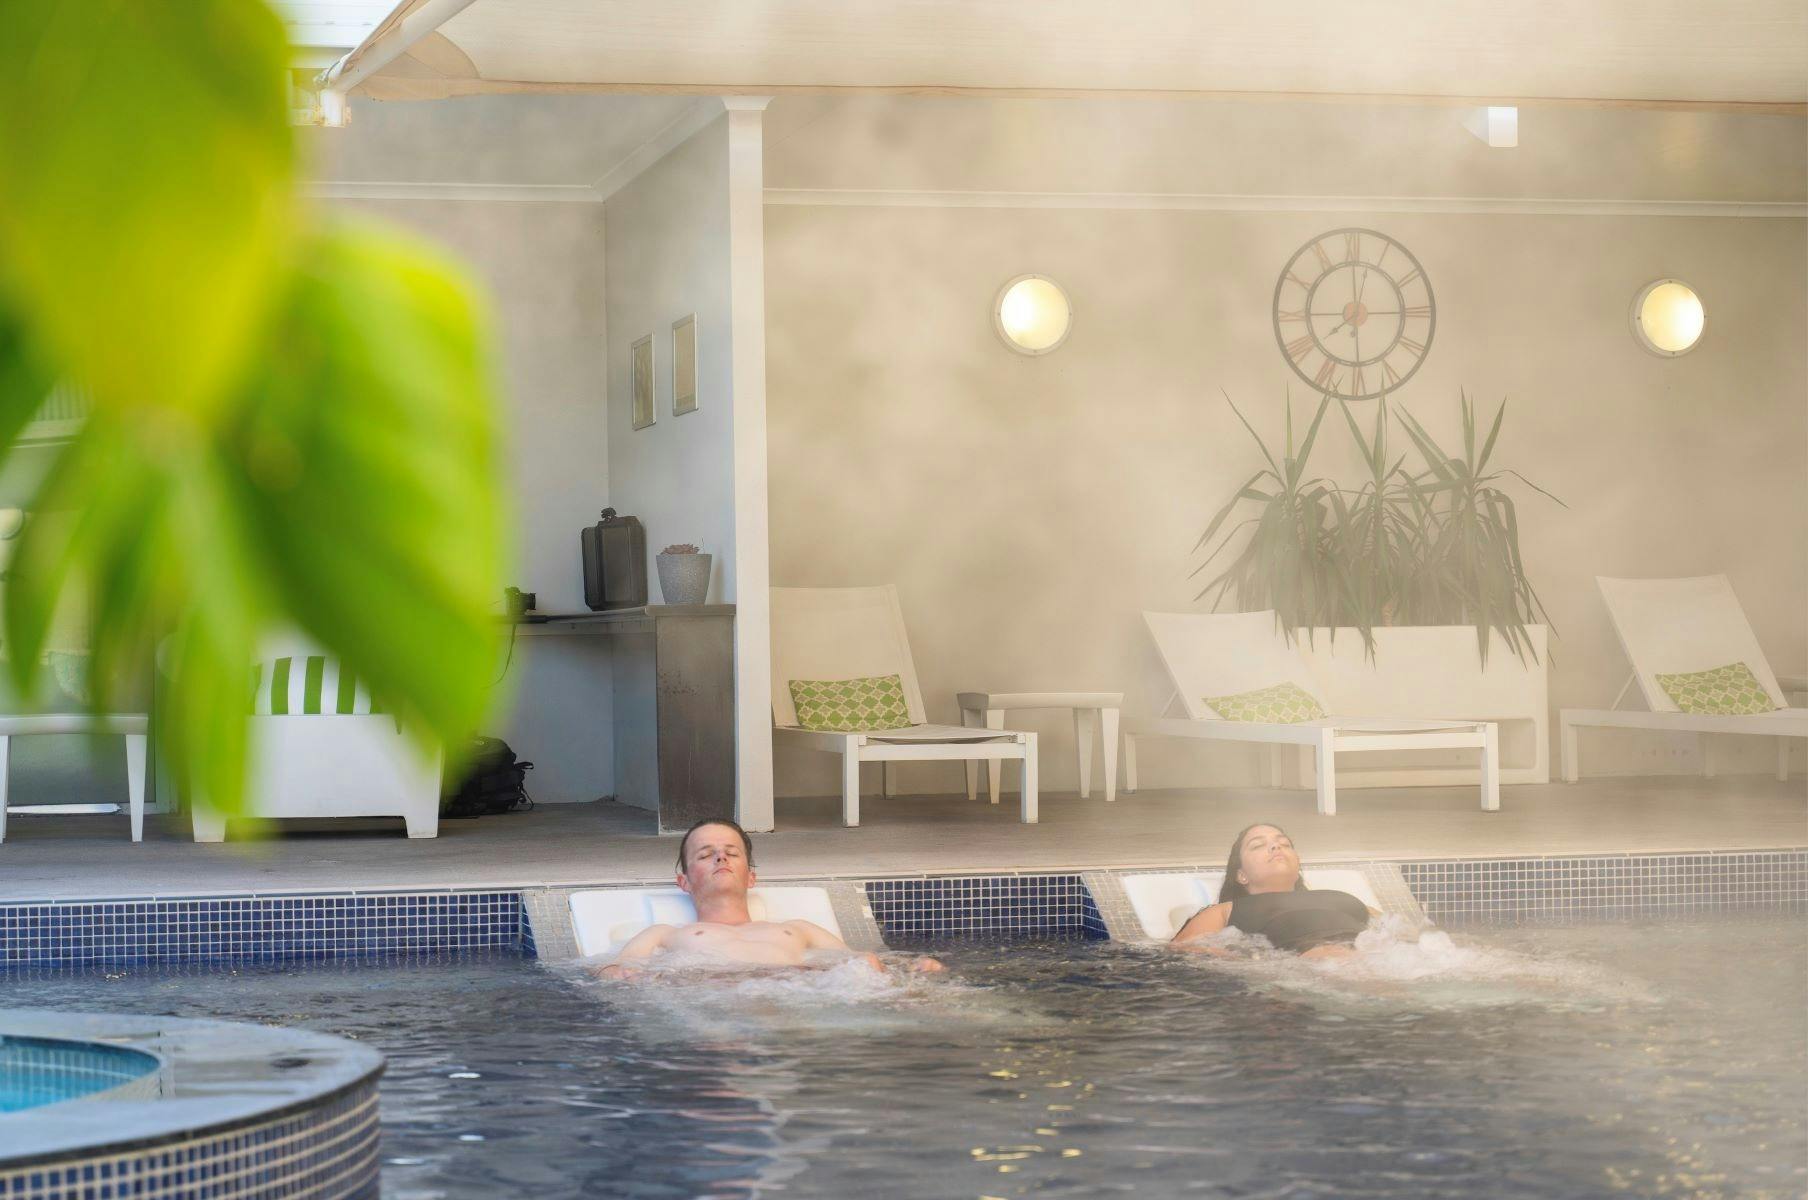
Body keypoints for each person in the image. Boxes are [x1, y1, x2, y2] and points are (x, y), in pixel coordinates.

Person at [596, 818, 943, 979]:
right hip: (714, 997)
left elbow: (858, 962)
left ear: (751, 876)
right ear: (683, 881)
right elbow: (617, 971)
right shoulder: (664, 933)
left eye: (731, 853)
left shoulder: (797, 929)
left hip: (800, 991)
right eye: (706, 854)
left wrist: (909, 969)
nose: (721, 858)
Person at [1169, 823, 1377, 960]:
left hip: (1382, 956)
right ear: (1241, 875)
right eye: (1258, 846)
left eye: (1284, 843)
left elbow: (1399, 930)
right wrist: (1252, 960)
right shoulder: (1225, 911)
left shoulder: (1342, 899)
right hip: (1317, 961)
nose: (1276, 847)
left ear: (1297, 865)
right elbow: (1183, 949)